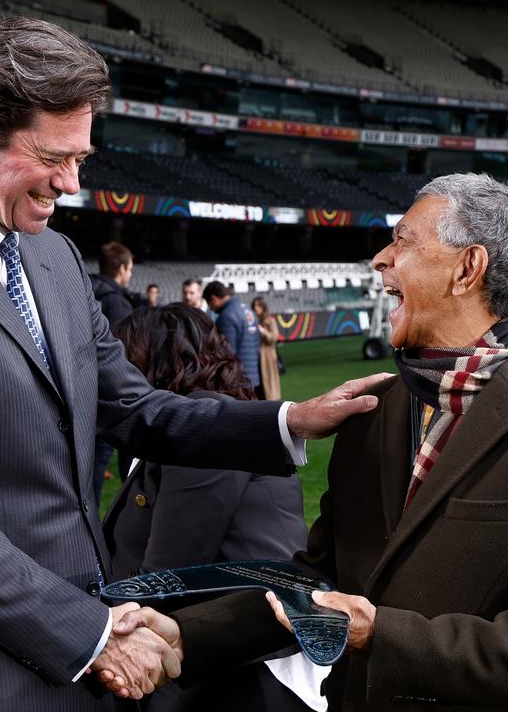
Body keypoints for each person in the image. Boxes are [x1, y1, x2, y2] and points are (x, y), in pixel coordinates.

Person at [0, 16, 386, 711]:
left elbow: (133, 407)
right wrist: (93, 635)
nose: (71, 182)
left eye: (81, 158)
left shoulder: (52, 256)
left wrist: (289, 419)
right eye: (54, 156)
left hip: (72, 656)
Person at [111, 174, 508, 711]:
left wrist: (381, 634)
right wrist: (189, 635)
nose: (380, 259)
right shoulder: (374, 407)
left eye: (403, 240)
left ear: (467, 269)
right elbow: (319, 578)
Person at [104, 304, 316, 711]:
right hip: (213, 654)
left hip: (244, 671)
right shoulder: (207, 424)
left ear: (155, 360)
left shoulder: (204, 431)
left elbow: (167, 576)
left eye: (122, 359)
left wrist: (91, 633)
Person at [88, 241, 144, 500]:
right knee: (108, 460)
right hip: (109, 397)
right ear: (122, 269)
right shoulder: (118, 303)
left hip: (84, 390)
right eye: (130, 268)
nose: (130, 274)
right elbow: (124, 357)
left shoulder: (86, 290)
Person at [203, 281, 262, 398]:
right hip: (252, 376)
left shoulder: (226, 316)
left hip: (237, 380)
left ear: (213, 298)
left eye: (209, 304)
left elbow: (227, 353)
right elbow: (257, 345)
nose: (211, 308)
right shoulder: (249, 311)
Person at [252, 296, 283, 401]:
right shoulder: (254, 321)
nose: (256, 308)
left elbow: (274, 338)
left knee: (269, 385)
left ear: (263, 307)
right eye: (254, 306)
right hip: (256, 357)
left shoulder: (270, 321)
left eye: (258, 305)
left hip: (268, 357)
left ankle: (272, 403)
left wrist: (262, 330)